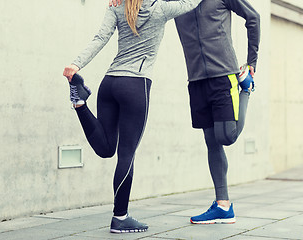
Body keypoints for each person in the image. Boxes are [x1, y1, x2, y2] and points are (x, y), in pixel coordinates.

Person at [63, 0, 203, 233]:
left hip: (109, 83)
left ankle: (79, 103)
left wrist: (75, 65)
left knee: (106, 148)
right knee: (126, 154)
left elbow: (100, 38)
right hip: (135, 85)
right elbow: (191, 2)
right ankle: (120, 217)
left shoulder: (117, 6)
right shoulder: (161, 9)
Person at [174, 0, 261, 224]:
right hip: (196, 80)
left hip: (224, 76)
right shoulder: (175, 2)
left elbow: (253, 17)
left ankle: (247, 88)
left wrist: (252, 62)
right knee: (212, 142)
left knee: (227, 136)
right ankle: (223, 206)